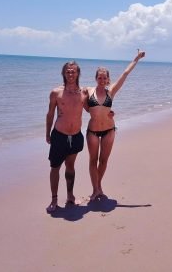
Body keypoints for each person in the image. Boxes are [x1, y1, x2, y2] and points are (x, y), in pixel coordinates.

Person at [84, 49, 146, 200]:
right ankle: (95, 190)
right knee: (93, 160)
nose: (102, 79)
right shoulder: (87, 90)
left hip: (109, 130)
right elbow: (78, 101)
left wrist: (136, 58)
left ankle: (99, 186)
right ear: (96, 78)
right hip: (92, 131)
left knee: (103, 160)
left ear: (107, 79)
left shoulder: (111, 91)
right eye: (99, 77)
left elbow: (125, 74)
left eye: (104, 78)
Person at [45, 61, 87, 213]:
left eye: (73, 71)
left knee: (70, 167)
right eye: (68, 71)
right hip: (59, 136)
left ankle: (70, 195)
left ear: (78, 74)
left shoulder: (83, 93)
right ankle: (54, 199)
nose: (71, 74)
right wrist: (47, 133)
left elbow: (93, 108)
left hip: (75, 136)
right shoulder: (56, 93)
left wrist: (108, 114)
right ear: (64, 73)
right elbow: (50, 114)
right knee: (55, 168)